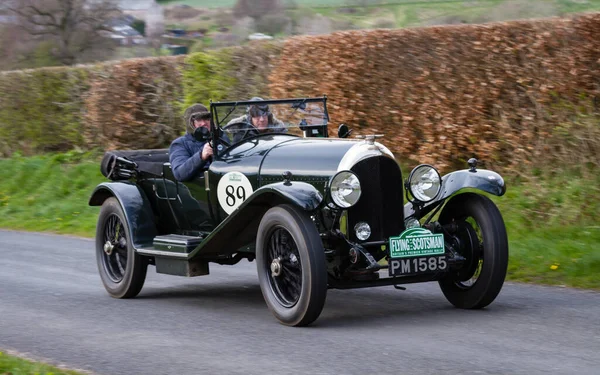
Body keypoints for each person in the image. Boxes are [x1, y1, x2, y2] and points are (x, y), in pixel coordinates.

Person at [169, 103, 214, 181]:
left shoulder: (220, 138)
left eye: (206, 118)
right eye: (199, 119)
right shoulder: (180, 144)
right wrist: (201, 155)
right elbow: (179, 174)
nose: (204, 123)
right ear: (190, 123)